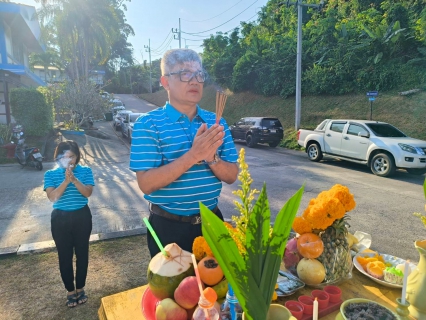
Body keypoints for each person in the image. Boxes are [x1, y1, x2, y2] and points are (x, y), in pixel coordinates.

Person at [130, 48, 239, 257]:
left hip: (212, 222)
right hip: (168, 226)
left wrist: (212, 157)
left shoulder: (216, 122)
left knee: (216, 286)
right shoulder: (148, 124)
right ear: (165, 82)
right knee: (174, 288)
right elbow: (146, 183)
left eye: (199, 74)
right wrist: (194, 155)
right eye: (185, 74)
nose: (195, 81)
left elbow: (232, 175)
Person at [43, 141, 95, 308]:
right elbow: (52, 197)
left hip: (82, 216)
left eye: (71, 156)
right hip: (60, 219)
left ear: (77, 156)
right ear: (58, 158)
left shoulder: (86, 171)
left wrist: (74, 180)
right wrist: (65, 181)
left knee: (82, 254)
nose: (68, 160)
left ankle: (80, 288)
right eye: (64, 156)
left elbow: (87, 193)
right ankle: (70, 291)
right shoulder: (50, 175)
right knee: (64, 256)